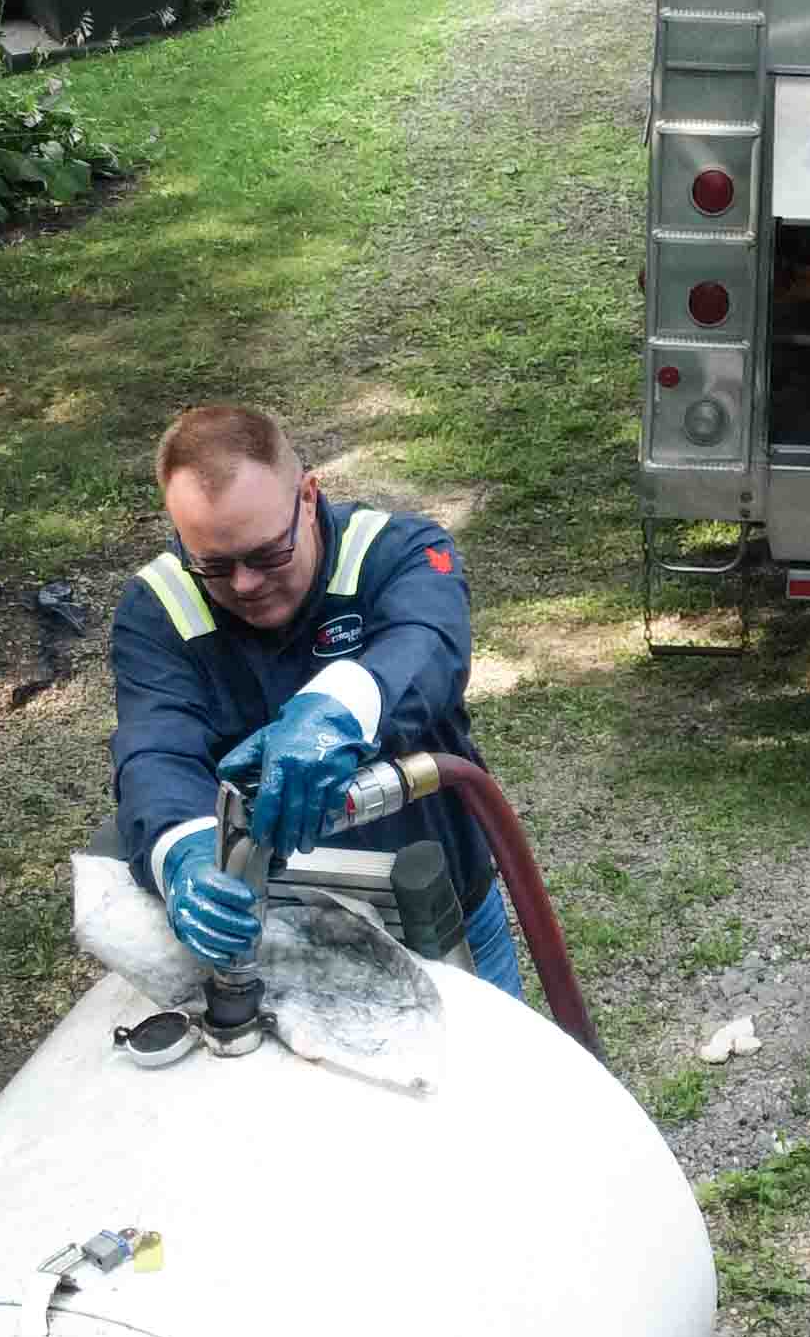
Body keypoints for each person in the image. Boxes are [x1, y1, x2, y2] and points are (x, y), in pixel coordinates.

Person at [109, 403, 524, 998]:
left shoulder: (397, 550)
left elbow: (427, 643)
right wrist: (180, 850)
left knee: (493, 1084)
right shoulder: (158, 608)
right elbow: (155, 749)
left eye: (268, 554)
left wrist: (339, 709)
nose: (247, 584)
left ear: (307, 496)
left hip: (442, 913)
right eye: (215, 566)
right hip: (277, 933)